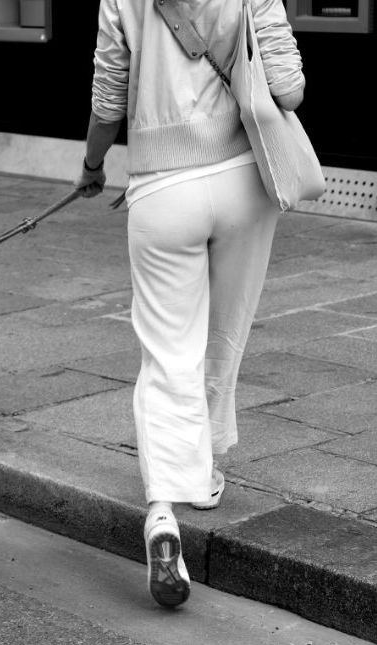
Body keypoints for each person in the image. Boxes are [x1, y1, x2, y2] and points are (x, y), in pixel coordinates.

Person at [74, 0, 305, 608]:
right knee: (224, 334)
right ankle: (203, 476)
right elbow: (289, 87)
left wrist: (94, 165)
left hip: (162, 188)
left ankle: (162, 512)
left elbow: (107, 102)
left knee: (166, 350)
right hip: (241, 180)